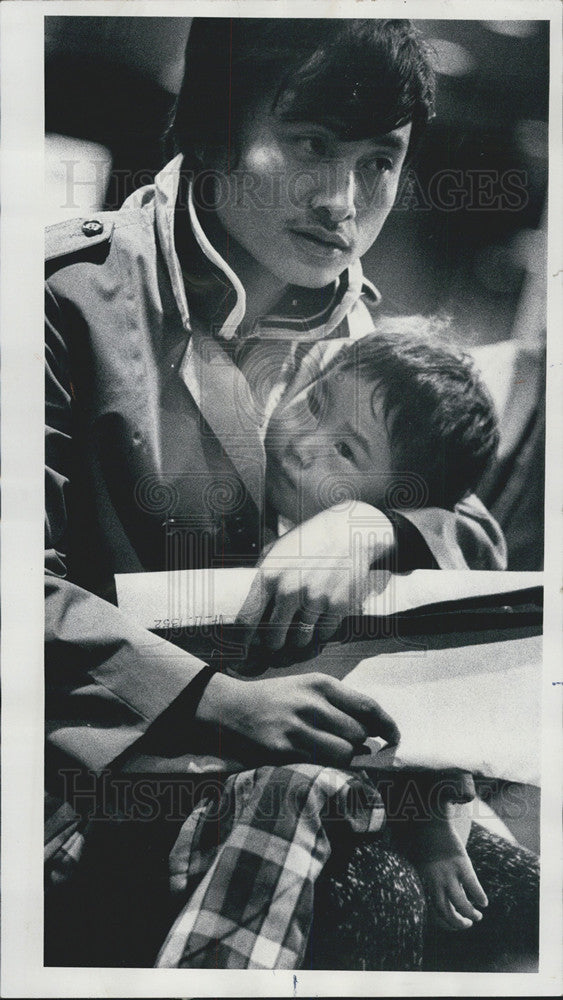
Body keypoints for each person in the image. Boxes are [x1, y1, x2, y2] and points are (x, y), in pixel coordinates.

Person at [45, 18, 534, 970]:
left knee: (516, 900)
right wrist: (212, 701)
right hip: (103, 781)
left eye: (379, 160)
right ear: (216, 131)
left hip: (329, 755)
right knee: (371, 882)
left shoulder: (361, 329)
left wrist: (375, 525)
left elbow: (469, 526)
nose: (343, 201)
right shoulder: (62, 301)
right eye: (311, 144)